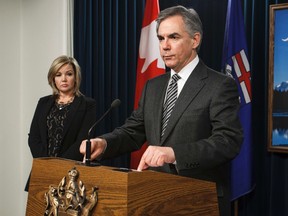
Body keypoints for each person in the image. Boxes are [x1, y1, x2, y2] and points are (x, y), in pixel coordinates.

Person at [80, 6, 243, 216]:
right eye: (160, 38)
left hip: (198, 201)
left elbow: (228, 142)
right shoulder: (153, 86)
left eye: (173, 37)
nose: (164, 46)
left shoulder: (219, 85)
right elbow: (133, 131)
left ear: (195, 40)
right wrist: (104, 143)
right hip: (154, 200)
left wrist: (174, 154)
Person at [26, 55, 97, 191]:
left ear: (76, 77)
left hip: (71, 173)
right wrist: (47, 165)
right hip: (42, 172)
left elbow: (82, 141)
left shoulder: (88, 104)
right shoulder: (43, 102)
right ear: (53, 78)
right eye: (58, 75)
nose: (63, 79)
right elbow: (33, 138)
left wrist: (59, 167)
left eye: (68, 74)